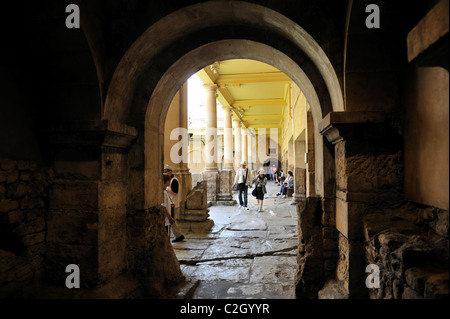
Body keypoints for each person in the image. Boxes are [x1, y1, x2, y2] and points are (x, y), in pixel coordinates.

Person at [163, 164, 185, 242]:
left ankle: (179, 235)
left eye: (165, 172)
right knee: (171, 220)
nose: (164, 173)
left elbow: (175, 192)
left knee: (172, 220)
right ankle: (178, 235)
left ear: (170, 172)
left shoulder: (174, 180)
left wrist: (165, 189)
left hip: (173, 204)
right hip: (170, 204)